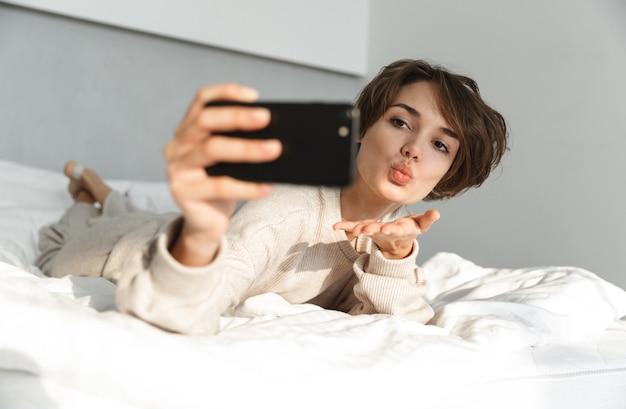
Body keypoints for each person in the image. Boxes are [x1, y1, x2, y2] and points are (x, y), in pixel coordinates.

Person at [36, 59, 508, 335]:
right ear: (363, 129)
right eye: (401, 121)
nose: (413, 149)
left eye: (440, 145)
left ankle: (104, 191)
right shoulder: (282, 214)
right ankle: (86, 196)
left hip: (190, 229)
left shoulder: (387, 237)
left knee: (161, 214)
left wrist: (396, 256)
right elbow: (193, 306)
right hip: (122, 251)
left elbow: (406, 331)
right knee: (58, 248)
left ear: (449, 173)